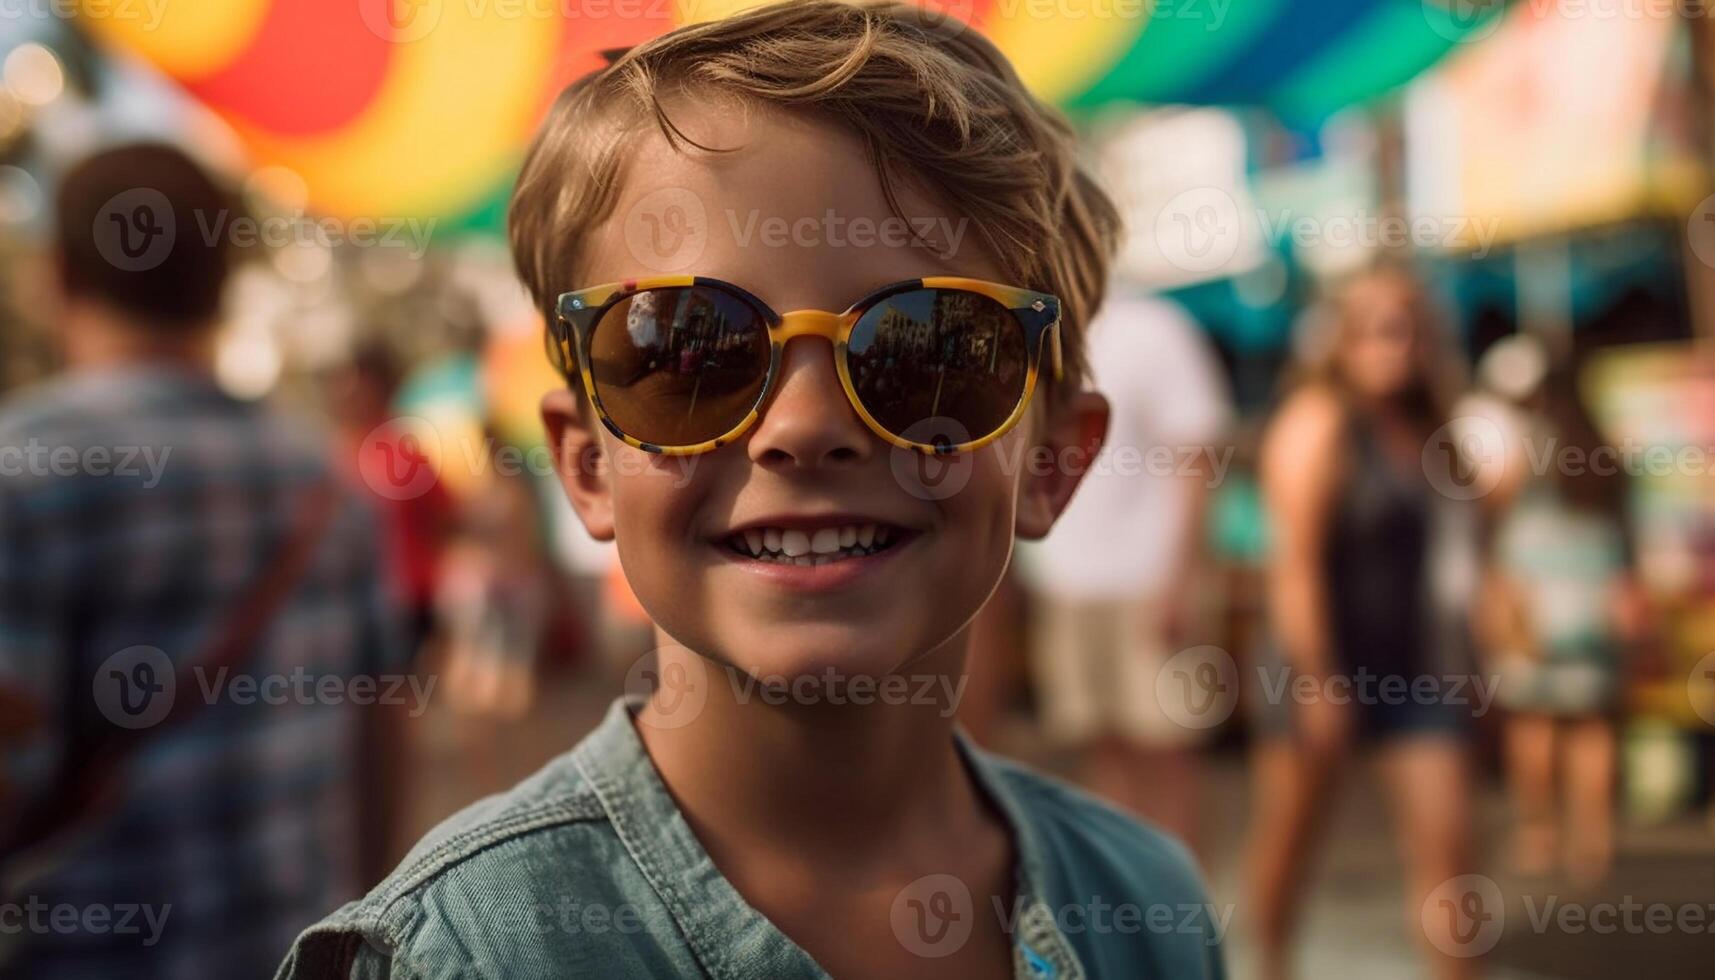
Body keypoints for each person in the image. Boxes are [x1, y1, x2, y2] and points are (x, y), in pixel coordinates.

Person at [276, 4, 1226, 978]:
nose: (804, 426)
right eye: (686, 350)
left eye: (931, 348)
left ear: (1052, 460)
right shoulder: (460, 956)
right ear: (587, 464)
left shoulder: (1144, 901)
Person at [0, 145, 408, 978]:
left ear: (56, 277)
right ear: (222, 283)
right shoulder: (321, 480)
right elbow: (380, 733)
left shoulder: (24, 468)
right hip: (287, 952)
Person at [1246, 266, 1482, 980]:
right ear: (1341, 337)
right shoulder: (1316, 420)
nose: (1394, 340)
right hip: (1317, 664)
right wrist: (1319, 683)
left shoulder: (1425, 426)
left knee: (1450, 851)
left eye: (1407, 324)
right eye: (1376, 324)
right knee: (1290, 842)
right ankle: (1269, 965)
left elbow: (1464, 556)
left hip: (1412, 667)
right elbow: (1293, 567)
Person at [1015, 293, 1232, 848]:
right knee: (1103, 756)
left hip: (1149, 584)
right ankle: (1128, 915)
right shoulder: (1037, 330)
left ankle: (1182, 919)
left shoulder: (1153, 326)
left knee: (1167, 757)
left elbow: (1196, 459)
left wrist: (1182, 580)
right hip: (1067, 585)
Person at [1485, 355, 1635, 886]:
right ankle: (1593, 843)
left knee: (1535, 725)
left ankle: (1539, 834)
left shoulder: (1527, 450)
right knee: (1591, 728)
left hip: (1535, 605)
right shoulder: (1605, 448)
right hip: (1594, 604)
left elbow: (1499, 523)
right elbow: (1626, 535)